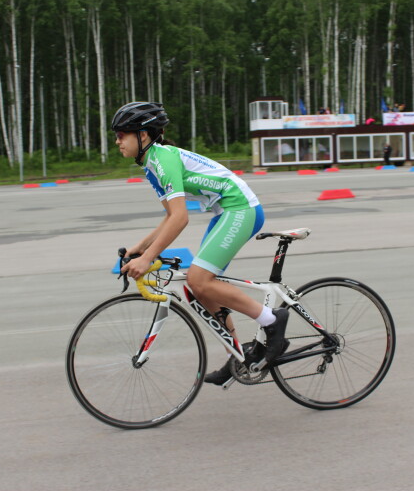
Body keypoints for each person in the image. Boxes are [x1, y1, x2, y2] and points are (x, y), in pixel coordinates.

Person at [112, 101, 290, 385]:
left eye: (121, 134)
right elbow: (170, 215)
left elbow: (181, 218)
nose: (117, 141)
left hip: (240, 208)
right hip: (224, 212)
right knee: (202, 290)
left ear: (142, 135)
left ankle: (272, 321)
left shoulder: (162, 157)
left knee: (199, 278)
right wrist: (142, 246)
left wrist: (147, 259)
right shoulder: (150, 165)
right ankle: (239, 357)